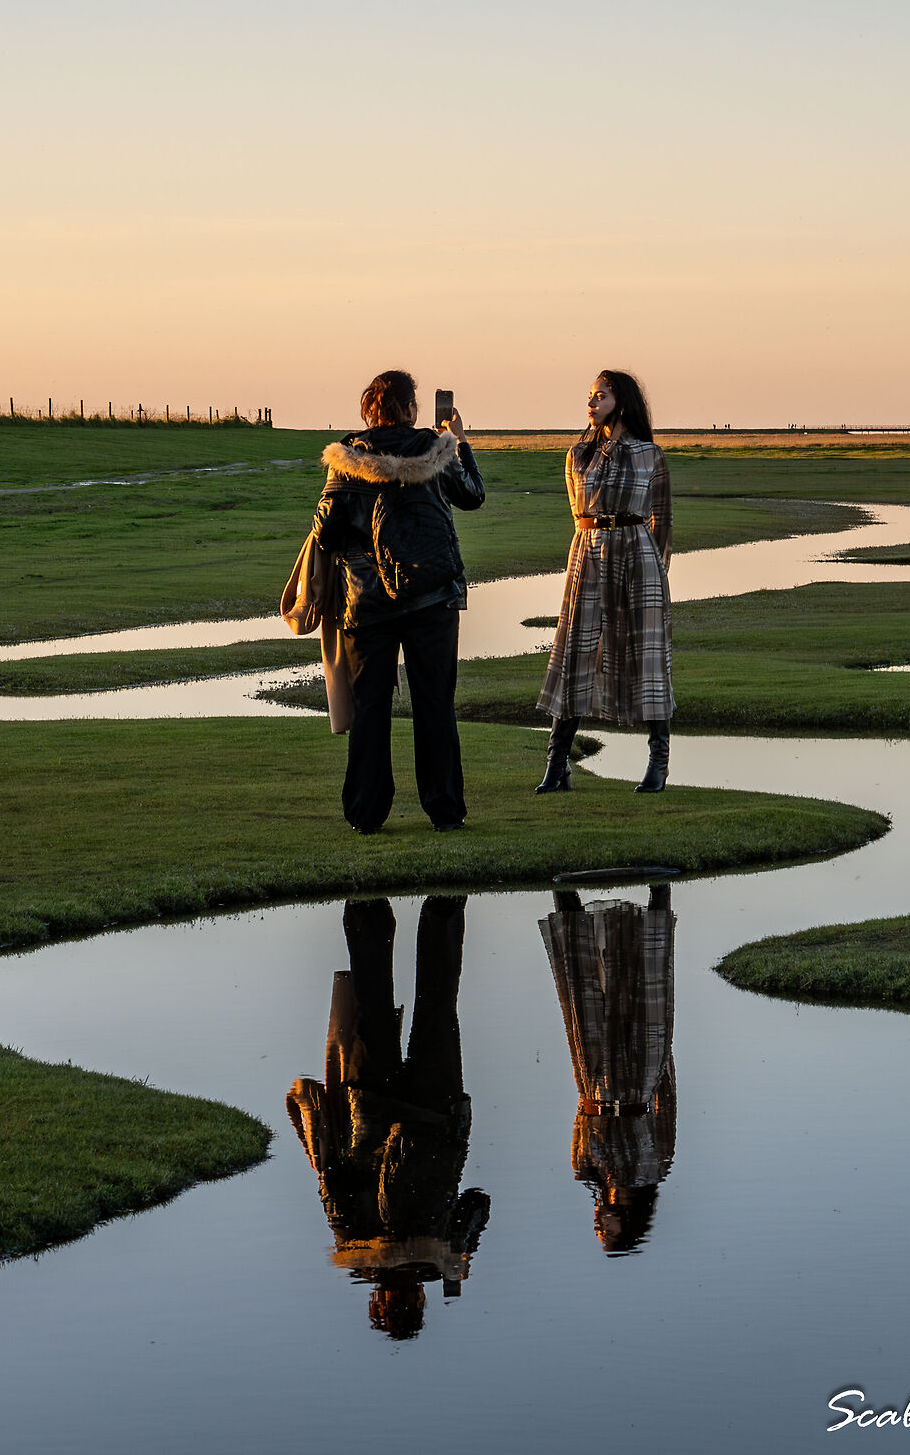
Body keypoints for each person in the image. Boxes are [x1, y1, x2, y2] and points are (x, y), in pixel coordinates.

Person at [285, 895, 490, 1336]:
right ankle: (366, 907)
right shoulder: (354, 1248)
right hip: (372, 1113)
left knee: (437, 1008)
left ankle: (444, 903)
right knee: (373, 1010)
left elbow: (478, 1200)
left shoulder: (442, 1262)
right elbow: (334, 1178)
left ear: (418, 1301)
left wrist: (461, 1255)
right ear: (377, 1301)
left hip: (437, 1117)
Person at [314, 369, 486, 832]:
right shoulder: (436, 448)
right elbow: (472, 496)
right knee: (435, 704)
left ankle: (366, 813)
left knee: (371, 708)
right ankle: (444, 810)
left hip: (366, 601)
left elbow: (325, 530)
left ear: (368, 410)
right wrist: (461, 442)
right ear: (411, 409)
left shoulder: (347, 458)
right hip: (433, 596)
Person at [534, 369, 674, 794]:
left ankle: (658, 761)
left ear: (623, 401)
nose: (592, 403)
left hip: (638, 555)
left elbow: (663, 521)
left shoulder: (651, 455)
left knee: (648, 655)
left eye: (602, 396)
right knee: (577, 653)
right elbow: (578, 512)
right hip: (589, 554)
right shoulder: (577, 454)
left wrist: (656, 569)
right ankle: (557, 764)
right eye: (590, 396)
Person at [539, 885, 676, 1253]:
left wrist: (585, 1085)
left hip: (593, 1082)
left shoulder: (586, 1172)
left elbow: (579, 1124)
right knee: (646, 992)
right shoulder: (653, 1171)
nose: (599, 1222)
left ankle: (562, 888)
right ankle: (659, 892)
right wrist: (665, 1064)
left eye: (598, 1228)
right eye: (606, 1231)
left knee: (579, 989)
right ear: (627, 1226)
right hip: (637, 1082)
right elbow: (666, 1116)